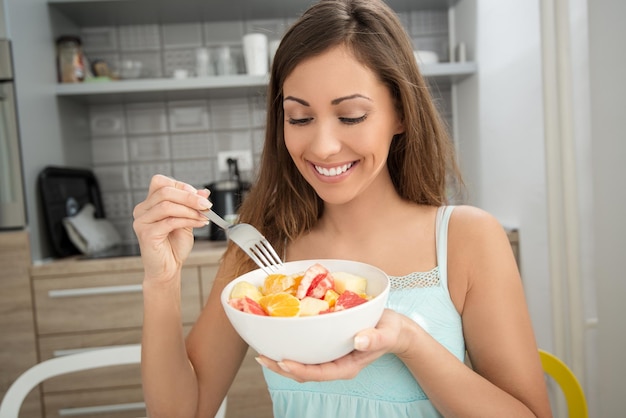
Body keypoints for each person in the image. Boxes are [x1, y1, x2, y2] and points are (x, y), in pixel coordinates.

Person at [133, 0, 552, 416]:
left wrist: (408, 341)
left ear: (401, 113)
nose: (322, 147)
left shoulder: (467, 239)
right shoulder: (259, 247)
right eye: (299, 118)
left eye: (351, 116)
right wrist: (161, 279)